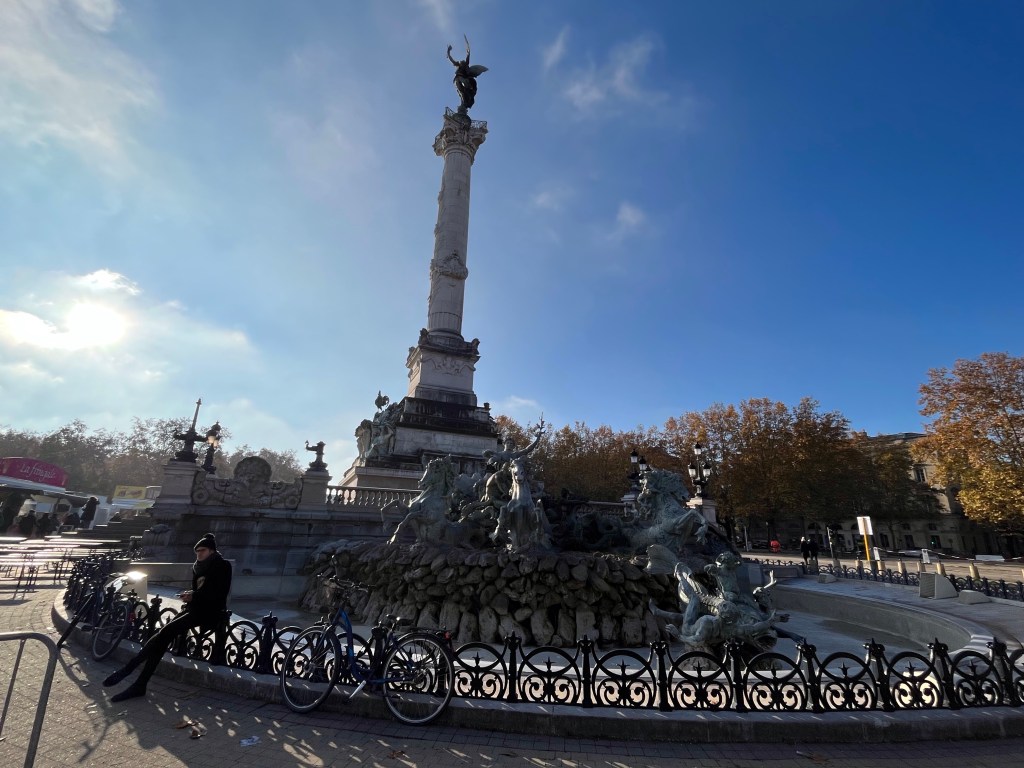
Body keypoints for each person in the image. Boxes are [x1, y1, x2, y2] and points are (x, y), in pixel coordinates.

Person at [103, 533, 232, 702]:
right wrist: (191, 595)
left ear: (212, 551)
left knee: (164, 633)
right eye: (197, 551)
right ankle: (139, 684)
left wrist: (194, 596)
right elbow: (200, 591)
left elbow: (219, 593)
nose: (199, 554)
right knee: (161, 637)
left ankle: (130, 669)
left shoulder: (223, 565)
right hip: (195, 609)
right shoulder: (198, 567)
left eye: (202, 550)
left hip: (211, 612)